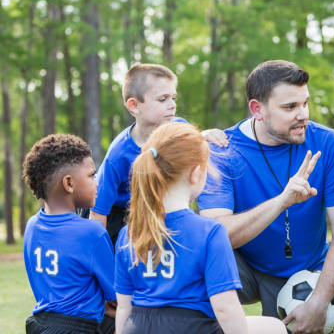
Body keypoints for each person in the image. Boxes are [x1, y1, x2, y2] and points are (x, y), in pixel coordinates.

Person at [199, 60, 334, 333]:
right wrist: (282, 201)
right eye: (290, 107)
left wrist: (319, 301)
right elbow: (218, 233)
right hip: (243, 267)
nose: (303, 114)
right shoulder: (222, 151)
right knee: (196, 261)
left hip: (303, 273)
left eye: (305, 103)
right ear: (257, 109)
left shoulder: (328, 144)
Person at [114, 122, 286, 334]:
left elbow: (124, 307)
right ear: (196, 173)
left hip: (138, 327)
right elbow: (225, 308)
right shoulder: (210, 232)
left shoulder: (128, 232)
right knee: (275, 327)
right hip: (190, 327)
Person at [22, 134, 116, 334]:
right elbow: (116, 295)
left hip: (41, 325)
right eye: (91, 175)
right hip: (79, 328)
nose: (97, 182)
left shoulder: (32, 226)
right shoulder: (92, 232)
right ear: (69, 184)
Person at [89, 63, 185, 245]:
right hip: (120, 219)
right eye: (163, 99)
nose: (172, 105)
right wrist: (99, 257)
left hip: (162, 211)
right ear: (134, 106)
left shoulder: (179, 129)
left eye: (173, 97)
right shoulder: (118, 154)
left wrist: (206, 135)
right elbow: (97, 212)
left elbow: (196, 145)